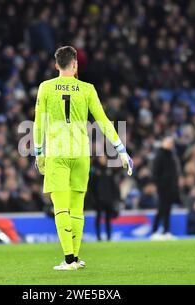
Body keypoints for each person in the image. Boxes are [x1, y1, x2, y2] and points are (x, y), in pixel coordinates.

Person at [33, 46, 133, 270]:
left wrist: (39, 152)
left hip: (57, 154)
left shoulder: (46, 88)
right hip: (81, 154)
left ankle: (69, 259)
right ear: (75, 64)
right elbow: (104, 122)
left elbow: (38, 123)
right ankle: (75, 259)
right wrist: (121, 150)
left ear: (56, 65)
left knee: (61, 207)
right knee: (77, 207)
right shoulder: (87, 89)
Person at [151, 136, 181, 240]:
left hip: (170, 188)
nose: (170, 144)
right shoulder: (160, 155)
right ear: (163, 142)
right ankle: (154, 231)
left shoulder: (171, 155)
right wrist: (159, 185)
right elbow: (155, 172)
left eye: (171, 143)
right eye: (168, 142)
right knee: (161, 209)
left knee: (167, 210)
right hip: (163, 188)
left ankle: (166, 231)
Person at [91, 156, 120, 241]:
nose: (104, 159)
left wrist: (116, 198)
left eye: (105, 158)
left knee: (108, 218)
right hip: (99, 199)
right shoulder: (95, 171)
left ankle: (109, 237)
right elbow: (92, 187)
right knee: (98, 217)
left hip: (109, 199)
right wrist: (94, 199)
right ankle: (98, 237)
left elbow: (114, 186)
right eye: (102, 158)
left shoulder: (109, 171)